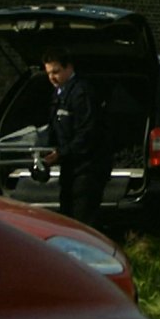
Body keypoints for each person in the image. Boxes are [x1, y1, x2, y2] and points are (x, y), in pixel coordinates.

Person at [41, 47, 112, 226]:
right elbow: (54, 127)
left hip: (88, 168)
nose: (52, 77)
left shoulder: (82, 93)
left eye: (56, 72)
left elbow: (87, 132)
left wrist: (61, 153)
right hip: (70, 167)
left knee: (82, 221)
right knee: (67, 217)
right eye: (49, 73)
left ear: (69, 68)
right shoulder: (59, 93)